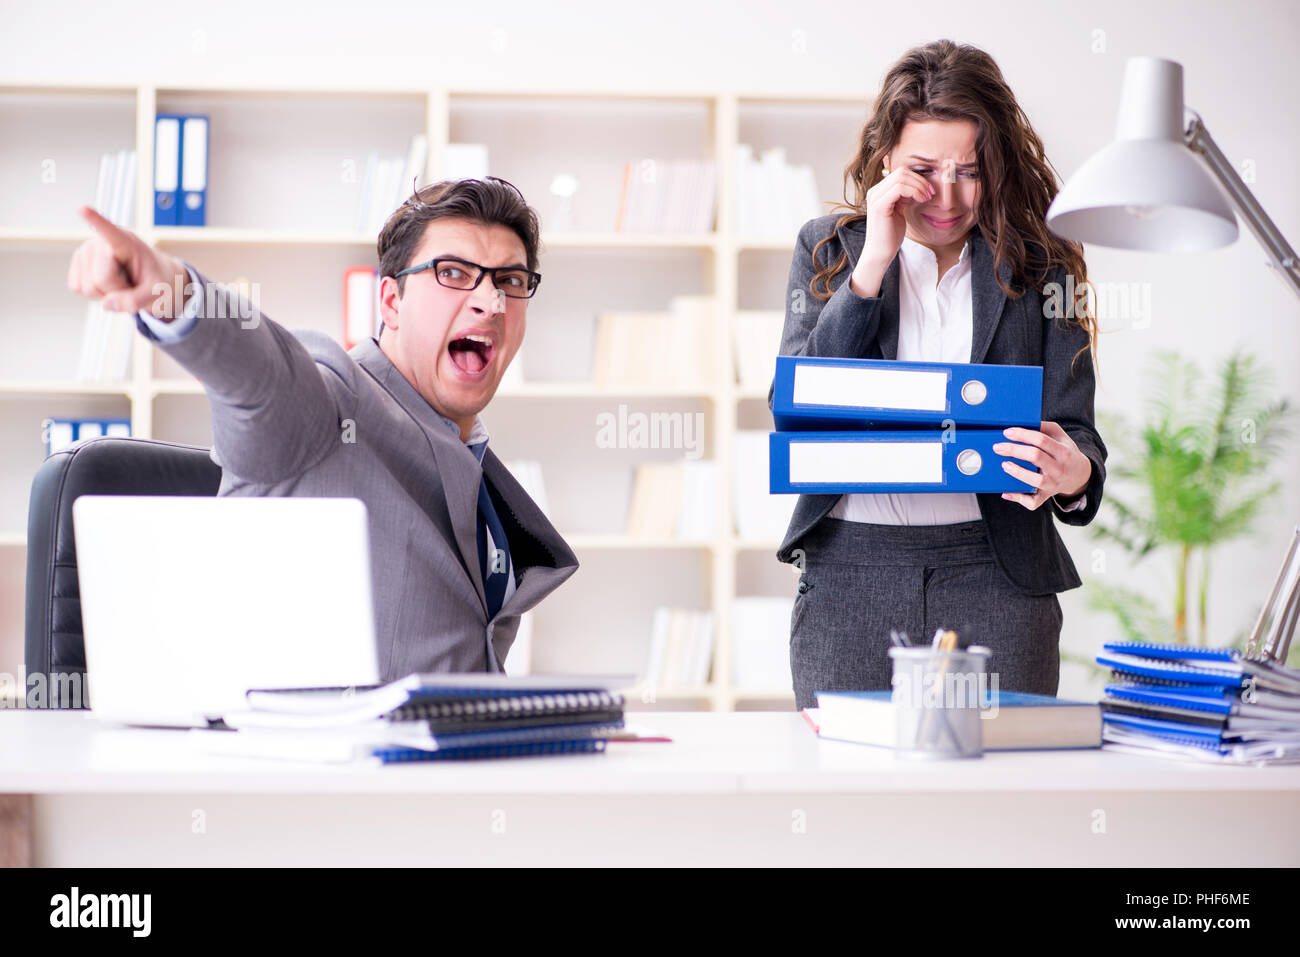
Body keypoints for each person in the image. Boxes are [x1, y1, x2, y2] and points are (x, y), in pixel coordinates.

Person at [66, 177, 578, 679]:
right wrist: (174, 292)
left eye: (510, 281)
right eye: (453, 273)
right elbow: (263, 376)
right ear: (391, 303)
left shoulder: (475, 466)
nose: (491, 302)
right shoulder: (332, 403)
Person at [773, 40, 1107, 710]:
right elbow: (798, 404)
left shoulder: (1046, 266)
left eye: (971, 172)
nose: (947, 198)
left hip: (998, 574)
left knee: (1003, 772)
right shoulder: (828, 247)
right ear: (885, 161)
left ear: (998, 167)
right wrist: (873, 263)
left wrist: (1072, 474)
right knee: (848, 769)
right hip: (852, 574)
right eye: (923, 170)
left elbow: (1078, 437)